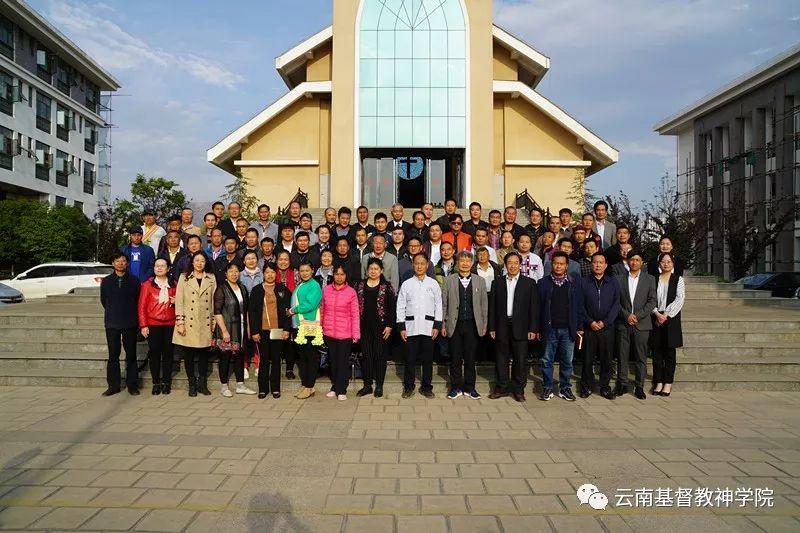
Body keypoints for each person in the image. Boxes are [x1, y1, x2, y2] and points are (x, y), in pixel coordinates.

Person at [488, 252, 539, 402]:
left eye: (515, 262)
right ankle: (501, 387)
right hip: (502, 325)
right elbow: (493, 307)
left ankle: (518, 390)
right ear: (505, 264)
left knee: (520, 360)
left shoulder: (529, 283)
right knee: (501, 358)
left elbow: (534, 308)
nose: (512, 265)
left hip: (522, 327)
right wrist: (492, 327)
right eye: (509, 262)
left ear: (520, 264)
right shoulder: (497, 282)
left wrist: (533, 329)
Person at [537, 252, 584, 402]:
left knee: (567, 361)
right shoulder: (543, 283)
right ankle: (548, 387)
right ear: (552, 264)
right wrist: (538, 328)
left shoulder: (574, 283)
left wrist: (579, 326)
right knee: (546, 360)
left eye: (562, 264)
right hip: (549, 328)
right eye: (556, 263)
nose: (558, 266)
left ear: (567, 266)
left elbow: (579, 307)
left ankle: (565, 388)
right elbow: (538, 308)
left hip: (568, 329)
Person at [442, 251, 488, 400]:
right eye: (462, 260)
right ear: (457, 263)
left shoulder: (479, 281)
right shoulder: (449, 280)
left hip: (473, 325)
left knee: (470, 357)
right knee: (455, 357)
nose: (465, 263)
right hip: (454, 324)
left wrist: (484, 324)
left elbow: (484, 305)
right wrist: (443, 324)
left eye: (468, 261)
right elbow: (444, 304)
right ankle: (455, 387)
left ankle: (470, 387)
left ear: (472, 263)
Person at [397, 254, 442, 399]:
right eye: (417, 263)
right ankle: (409, 386)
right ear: (413, 265)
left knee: (427, 359)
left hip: (429, 327)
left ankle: (426, 387)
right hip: (410, 327)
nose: (419, 266)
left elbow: (439, 306)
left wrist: (437, 325)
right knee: (410, 359)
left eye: (422, 263)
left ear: (427, 265)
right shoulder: (407, 284)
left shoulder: (433, 284)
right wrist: (401, 326)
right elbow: (401, 306)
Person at [615, 250, 657, 400]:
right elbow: (616, 301)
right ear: (627, 261)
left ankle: (639, 386)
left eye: (637, 260)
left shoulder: (650, 279)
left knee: (641, 357)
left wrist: (637, 316)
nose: (634, 262)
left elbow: (652, 301)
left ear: (642, 263)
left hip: (642, 323)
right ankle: (622, 384)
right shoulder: (619, 279)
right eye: (631, 260)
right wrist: (627, 315)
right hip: (623, 323)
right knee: (622, 355)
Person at [173, 251, 216, 396]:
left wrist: (213, 321)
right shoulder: (184, 277)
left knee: (204, 354)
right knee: (189, 354)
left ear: (206, 263)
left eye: (202, 261)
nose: (199, 263)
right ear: (192, 262)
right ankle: (191, 383)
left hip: (205, 321)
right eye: (197, 260)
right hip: (188, 321)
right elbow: (179, 300)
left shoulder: (211, 278)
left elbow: (214, 302)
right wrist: (180, 322)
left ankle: (202, 383)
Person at [579, 252, 620, 400]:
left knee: (606, 359)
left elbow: (616, 304)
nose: (598, 265)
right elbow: (580, 304)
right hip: (589, 327)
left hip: (607, 327)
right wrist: (589, 321)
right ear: (591, 264)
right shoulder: (583, 282)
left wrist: (606, 321)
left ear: (606, 265)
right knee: (587, 359)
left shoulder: (613, 282)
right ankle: (586, 386)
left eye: (601, 262)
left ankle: (605, 387)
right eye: (595, 262)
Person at [248, 261, 292, 399]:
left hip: (278, 330)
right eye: (267, 272)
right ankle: (263, 388)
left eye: (272, 272)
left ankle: (275, 389)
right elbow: (253, 312)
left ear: (276, 274)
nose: (270, 275)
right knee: (264, 360)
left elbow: (287, 312)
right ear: (263, 274)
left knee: (276, 359)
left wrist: (286, 329)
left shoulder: (282, 289)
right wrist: (254, 331)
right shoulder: (256, 290)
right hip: (262, 330)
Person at [100, 253, 141, 397]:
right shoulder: (106, 281)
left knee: (131, 355)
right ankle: (113, 385)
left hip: (129, 322)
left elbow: (137, 301)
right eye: (117, 261)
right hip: (112, 323)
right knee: (113, 356)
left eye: (123, 261)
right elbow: (104, 301)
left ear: (127, 263)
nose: (121, 263)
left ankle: (132, 385)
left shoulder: (135, 281)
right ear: (113, 263)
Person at [213, 263, 256, 397]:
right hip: (227, 327)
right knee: (225, 357)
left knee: (239, 356)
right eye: (230, 271)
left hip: (241, 328)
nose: (234, 273)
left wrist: (248, 326)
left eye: (236, 271)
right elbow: (217, 311)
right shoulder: (221, 289)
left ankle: (240, 385)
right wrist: (224, 331)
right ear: (226, 274)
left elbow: (246, 310)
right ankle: (224, 386)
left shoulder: (242, 288)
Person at [354, 258, 395, 397]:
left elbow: (392, 308)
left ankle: (379, 385)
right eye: (371, 268)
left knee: (380, 356)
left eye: (376, 269)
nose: (373, 271)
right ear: (367, 270)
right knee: (367, 356)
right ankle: (367, 385)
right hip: (363, 326)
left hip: (381, 327)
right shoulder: (359, 285)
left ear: (381, 270)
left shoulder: (386, 286)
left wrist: (389, 326)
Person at [138, 258, 177, 395]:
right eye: (157, 266)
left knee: (168, 354)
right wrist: (143, 325)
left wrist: (176, 301)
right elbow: (141, 306)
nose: (159, 268)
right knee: (154, 353)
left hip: (170, 324)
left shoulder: (174, 284)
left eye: (162, 266)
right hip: (153, 323)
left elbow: (182, 304)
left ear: (168, 268)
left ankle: (166, 382)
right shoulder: (147, 284)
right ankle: (156, 382)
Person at [321, 265, 360, 401]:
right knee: (332, 361)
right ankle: (334, 387)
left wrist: (356, 334)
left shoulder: (351, 292)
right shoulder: (326, 290)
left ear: (346, 276)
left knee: (343, 362)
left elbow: (355, 314)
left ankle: (342, 389)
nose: (339, 277)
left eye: (342, 274)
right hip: (329, 332)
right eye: (337, 274)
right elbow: (322, 310)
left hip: (345, 333)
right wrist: (321, 327)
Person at [650, 252, 685, 397]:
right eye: (663, 261)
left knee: (670, 353)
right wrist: (657, 313)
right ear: (659, 263)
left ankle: (668, 383)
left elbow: (680, 298)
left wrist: (666, 315)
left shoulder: (678, 279)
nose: (666, 264)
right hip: (656, 317)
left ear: (673, 264)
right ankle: (658, 381)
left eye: (669, 261)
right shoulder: (653, 279)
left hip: (671, 317)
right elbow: (650, 297)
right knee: (657, 352)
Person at [289, 261, 324, 399]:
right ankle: (306, 385)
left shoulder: (314, 285)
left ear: (312, 271)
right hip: (300, 325)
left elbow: (310, 304)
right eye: (302, 270)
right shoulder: (302, 284)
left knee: (310, 357)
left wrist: (293, 310)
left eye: (307, 270)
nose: (304, 273)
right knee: (303, 357)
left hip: (309, 324)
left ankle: (309, 386)